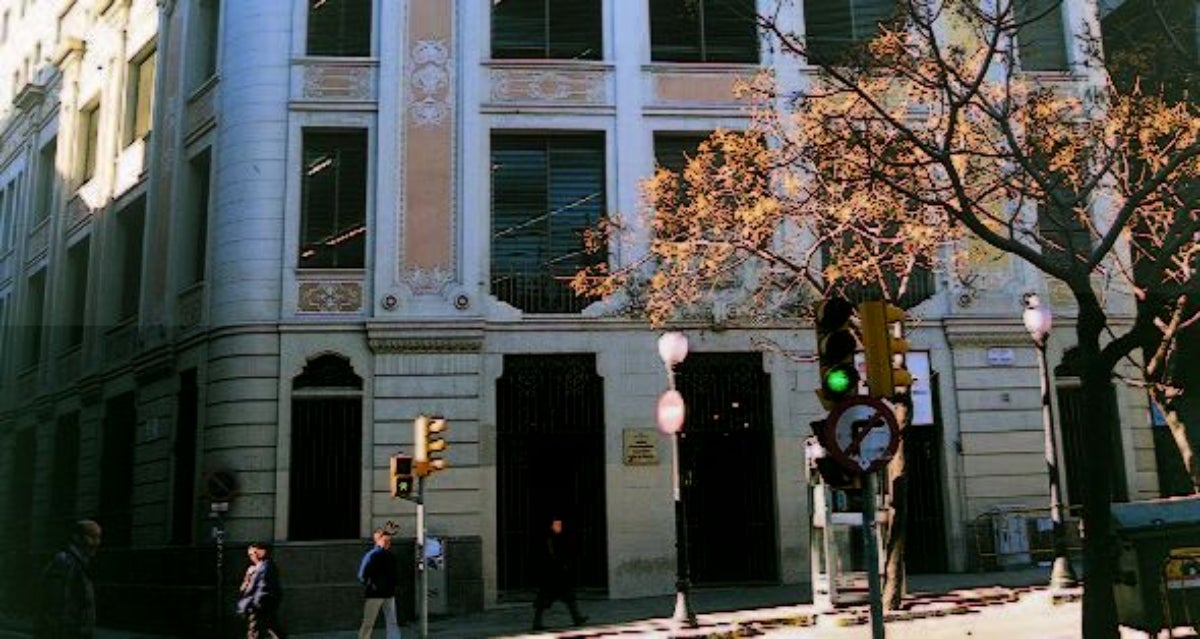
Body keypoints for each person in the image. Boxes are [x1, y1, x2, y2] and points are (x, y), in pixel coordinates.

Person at [35, 520, 102, 639]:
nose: (97, 542)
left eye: (98, 537)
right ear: (77, 538)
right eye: (92, 537)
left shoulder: (79, 565)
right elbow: (57, 609)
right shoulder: (65, 563)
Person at [531, 517, 588, 631]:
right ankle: (537, 622)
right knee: (544, 600)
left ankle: (576, 618)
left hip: (556, 575)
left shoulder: (557, 538)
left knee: (568, 596)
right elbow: (550, 556)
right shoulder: (549, 539)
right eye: (556, 525)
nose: (559, 527)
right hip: (551, 575)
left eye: (560, 525)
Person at [357, 528, 401, 639]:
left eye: (389, 541)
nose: (388, 543)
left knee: (374, 622)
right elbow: (362, 574)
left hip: (382, 592)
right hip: (379, 593)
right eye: (386, 541)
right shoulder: (374, 555)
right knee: (371, 622)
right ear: (378, 540)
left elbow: (362, 575)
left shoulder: (386, 555)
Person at [237, 542, 283, 639]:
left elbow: (254, 589)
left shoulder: (264, 567)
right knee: (270, 627)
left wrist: (249, 604)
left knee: (256, 630)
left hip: (260, 605)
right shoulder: (263, 567)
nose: (251, 557)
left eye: (252, 554)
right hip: (264, 604)